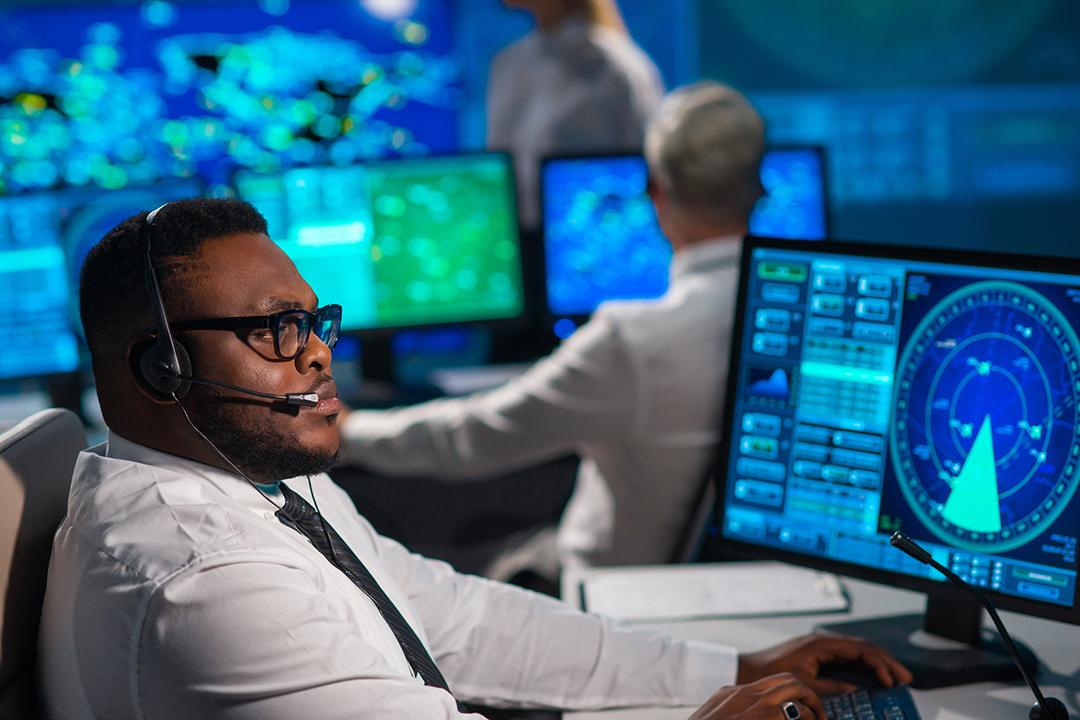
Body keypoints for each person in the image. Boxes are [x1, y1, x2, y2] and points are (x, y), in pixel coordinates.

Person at [39, 198, 911, 719]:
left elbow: (449, 618)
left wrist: (729, 670)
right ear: (161, 367)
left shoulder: (256, 479)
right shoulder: (205, 582)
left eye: (314, 321)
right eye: (276, 329)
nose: (318, 353)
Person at [339, 81, 764, 583]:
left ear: (655, 192)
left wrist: (351, 430)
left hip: (607, 591)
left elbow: (475, 437)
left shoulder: (632, 341)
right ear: (758, 189)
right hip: (747, 589)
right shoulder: (802, 325)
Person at [488, 0, 664, 227]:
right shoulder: (508, 64)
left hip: (593, 236)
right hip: (516, 237)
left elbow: (651, 175)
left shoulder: (616, 68)